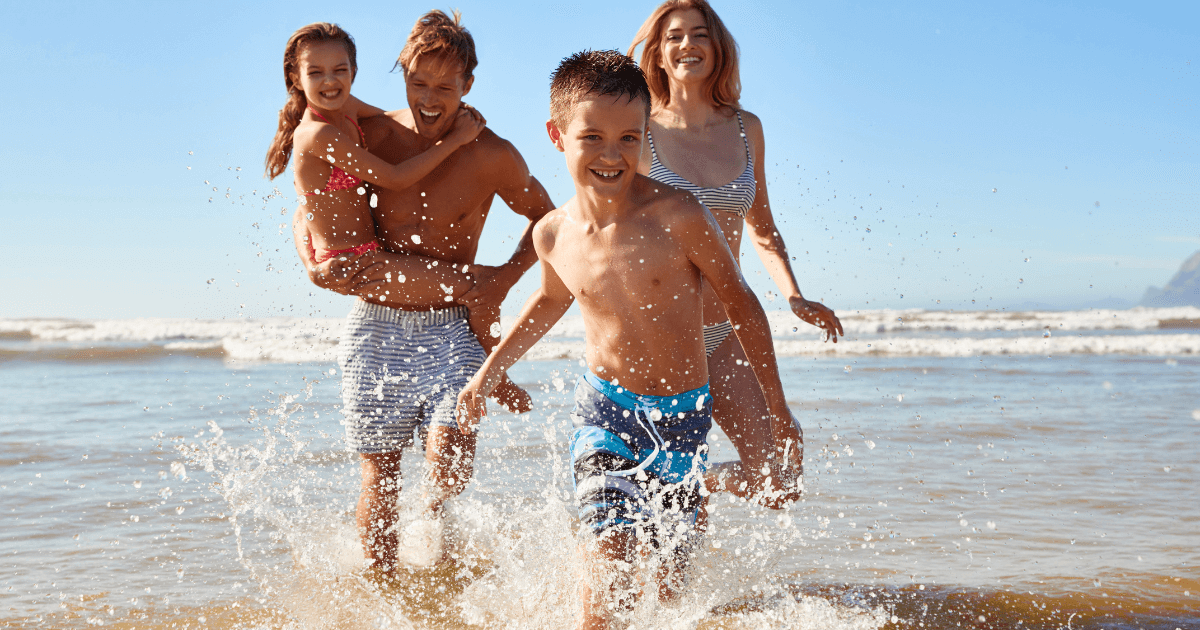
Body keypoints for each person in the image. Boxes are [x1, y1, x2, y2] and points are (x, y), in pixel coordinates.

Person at [455, 50, 800, 630]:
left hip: (684, 419)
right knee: (608, 582)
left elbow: (742, 304)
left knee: (668, 597)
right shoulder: (552, 234)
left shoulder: (679, 213)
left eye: (629, 137)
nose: (612, 154)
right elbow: (547, 301)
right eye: (592, 136)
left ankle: (699, 499)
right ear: (556, 134)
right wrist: (486, 373)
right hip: (606, 417)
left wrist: (778, 405)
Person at [294, 11, 554, 571]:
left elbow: (548, 221)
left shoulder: (492, 154)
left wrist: (501, 281)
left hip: (449, 326)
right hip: (376, 327)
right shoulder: (374, 134)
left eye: (445, 86)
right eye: (418, 83)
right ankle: (386, 590)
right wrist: (311, 260)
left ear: (468, 86)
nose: (430, 98)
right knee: (380, 473)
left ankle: (439, 549)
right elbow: (308, 197)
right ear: (402, 75)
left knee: (448, 462)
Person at [629, 0, 843, 505]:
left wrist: (793, 296)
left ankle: (691, 487)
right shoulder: (639, 130)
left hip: (725, 329)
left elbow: (762, 228)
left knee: (779, 479)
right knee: (651, 503)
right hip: (659, 333)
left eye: (699, 35)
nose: (688, 46)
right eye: (674, 37)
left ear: (717, 47)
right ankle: (668, 493)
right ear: (657, 53)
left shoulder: (747, 128)